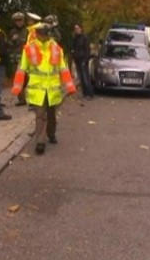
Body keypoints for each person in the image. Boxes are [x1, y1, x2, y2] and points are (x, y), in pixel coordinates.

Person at [11, 23, 76, 155]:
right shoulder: (29, 48)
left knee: (51, 114)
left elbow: (63, 68)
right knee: (40, 115)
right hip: (38, 89)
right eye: (41, 33)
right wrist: (17, 88)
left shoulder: (56, 48)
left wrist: (70, 86)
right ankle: (40, 141)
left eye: (45, 34)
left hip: (52, 89)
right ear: (36, 34)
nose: (43, 36)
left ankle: (51, 134)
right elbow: (22, 69)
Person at [9, 12, 29, 106]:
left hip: (27, 58)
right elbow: (8, 45)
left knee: (28, 78)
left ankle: (31, 97)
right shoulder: (12, 32)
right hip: (15, 59)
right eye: (16, 20)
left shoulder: (27, 31)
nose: (18, 22)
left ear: (23, 20)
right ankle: (21, 99)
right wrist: (12, 41)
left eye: (20, 20)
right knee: (18, 79)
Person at [71, 23, 94, 99]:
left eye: (78, 28)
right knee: (81, 78)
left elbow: (87, 50)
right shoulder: (75, 38)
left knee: (85, 77)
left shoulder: (85, 38)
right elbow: (73, 48)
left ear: (81, 29)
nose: (76, 30)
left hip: (83, 60)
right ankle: (84, 93)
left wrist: (85, 60)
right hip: (77, 60)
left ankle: (89, 94)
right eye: (75, 28)